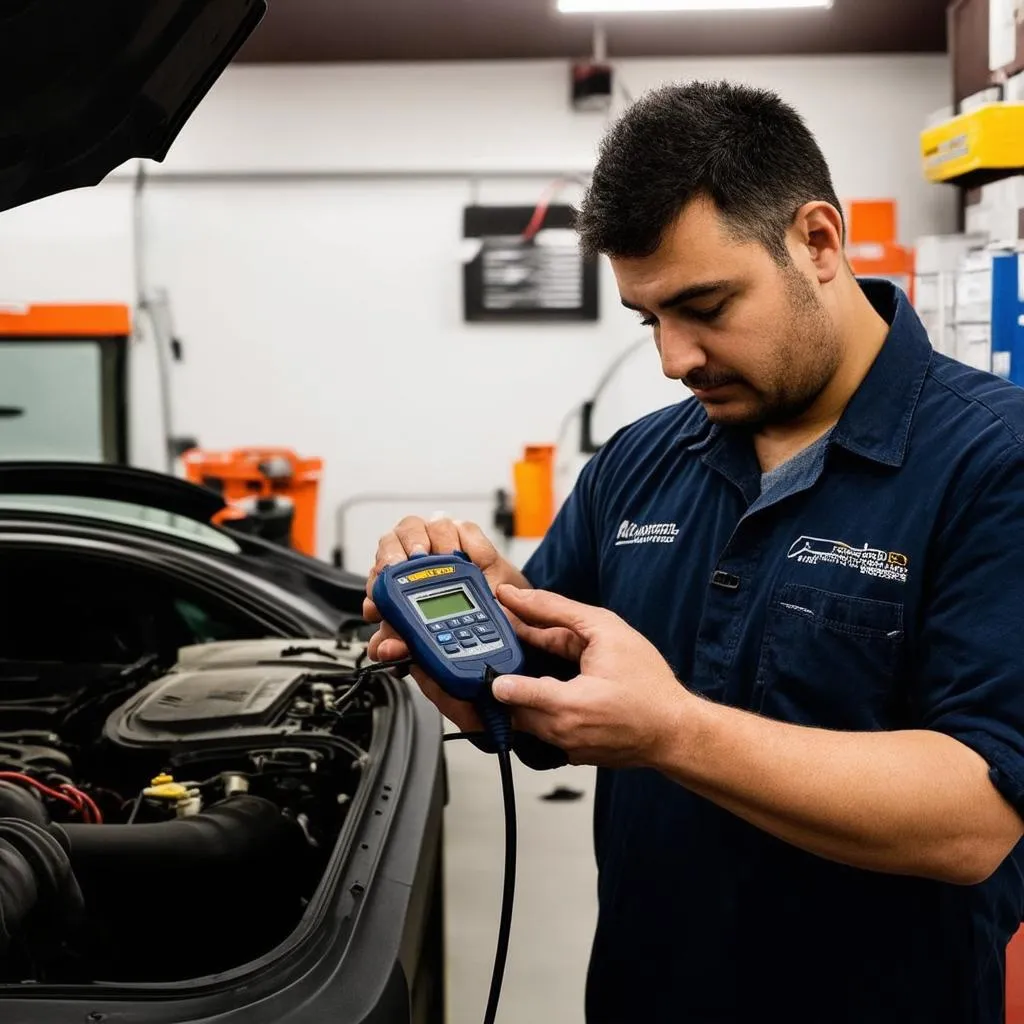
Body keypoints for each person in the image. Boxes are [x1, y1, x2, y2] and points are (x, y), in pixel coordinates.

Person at [364, 81, 1024, 1023]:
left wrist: (675, 730)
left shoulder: (994, 463)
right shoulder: (641, 460)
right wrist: (477, 642)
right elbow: (549, 711)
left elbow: (976, 822)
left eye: (706, 306)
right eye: (649, 320)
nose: (675, 358)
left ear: (819, 242)